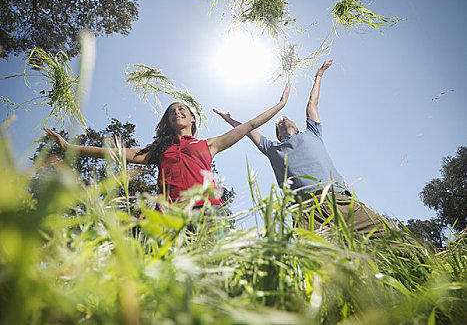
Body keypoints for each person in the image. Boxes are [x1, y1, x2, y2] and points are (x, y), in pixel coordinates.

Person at [44, 83, 290, 212]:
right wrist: (70, 147)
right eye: (172, 112)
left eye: (182, 109)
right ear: (168, 121)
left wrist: (280, 104)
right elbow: (116, 153)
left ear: (192, 118)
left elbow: (250, 125)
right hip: (168, 216)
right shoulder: (158, 151)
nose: (177, 112)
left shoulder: (209, 144)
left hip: (207, 212)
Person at [215, 60, 392, 238]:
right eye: (279, 122)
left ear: (296, 125)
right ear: (277, 134)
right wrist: (230, 119)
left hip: (340, 200)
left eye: (286, 118)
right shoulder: (272, 148)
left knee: (393, 239)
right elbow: (247, 130)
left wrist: (318, 77)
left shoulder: (312, 132)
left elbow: (312, 104)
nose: (283, 119)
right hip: (307, 212)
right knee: (324, 263)